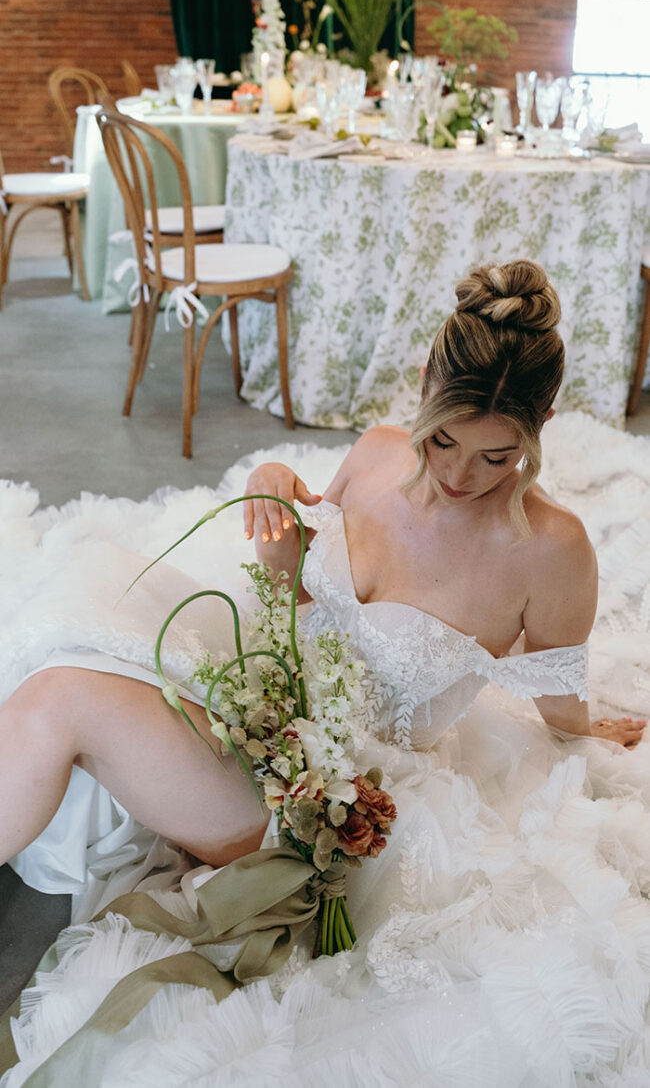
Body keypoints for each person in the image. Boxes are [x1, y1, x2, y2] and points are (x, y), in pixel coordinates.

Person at [2, 258, 650, 1086]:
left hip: (323, 795)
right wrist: (275, 498)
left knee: (64, 703)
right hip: (259, 690)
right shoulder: (379, 455)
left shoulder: (550, 551)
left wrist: (589, 727)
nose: (458, 476)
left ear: (542, 425)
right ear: (423, 387)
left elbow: (560, 700)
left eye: (497, 457)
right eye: (444, 439)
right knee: (75, 632)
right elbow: (292, 595)